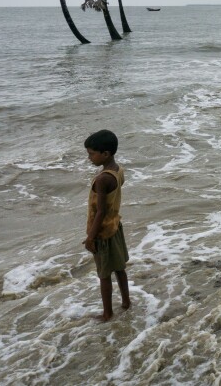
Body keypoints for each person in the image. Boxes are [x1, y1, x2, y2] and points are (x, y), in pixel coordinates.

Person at [83, 129, 130, 321]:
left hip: (102, 233)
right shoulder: (118, 171)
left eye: (91, 153)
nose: (89, 158)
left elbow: (100, 211)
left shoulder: (102, 179)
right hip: (115, 226)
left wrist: (90, 237)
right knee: (119, 268)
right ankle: (126, 302)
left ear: (105, 154)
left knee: (104, 275)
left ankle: (107, 313)